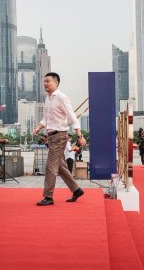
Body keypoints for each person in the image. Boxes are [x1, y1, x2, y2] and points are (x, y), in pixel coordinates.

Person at [32, 72, 86, 206]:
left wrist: (79, 136)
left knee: (50, 166)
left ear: (56, 83)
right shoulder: (48, 98)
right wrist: (38, 127)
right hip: (51, 137)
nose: (45, 84)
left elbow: (73, 117)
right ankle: (77, 190)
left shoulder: (62, 97)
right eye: (44, 81)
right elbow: (46, 118)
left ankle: (48, 197)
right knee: (61, 167)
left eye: (48, 81)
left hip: (60, 136)